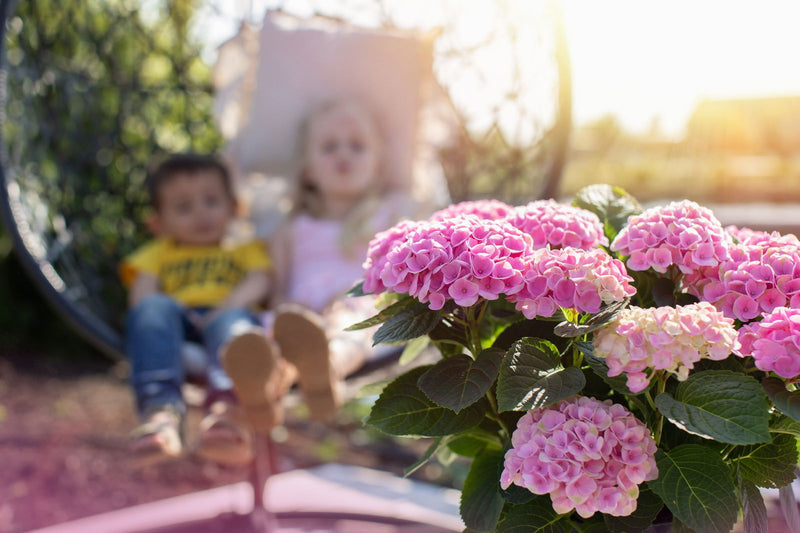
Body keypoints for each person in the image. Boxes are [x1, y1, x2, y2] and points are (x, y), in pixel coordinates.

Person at [224, 99, 424, 430]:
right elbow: (279, 291)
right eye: (329, 147)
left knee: (351, 325)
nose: (343, 154)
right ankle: (267, 391)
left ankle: (326, 369)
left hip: (358, 307)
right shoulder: (290, 229)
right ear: (308, 170)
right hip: (298, 316)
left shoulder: (388, 217)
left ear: (379, 166)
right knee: (277, 336)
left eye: (357, 146)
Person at [119, 153, 274, 466]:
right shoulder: (159, 252)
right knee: (152, 309)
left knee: (235, 328)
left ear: (234, 207)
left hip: (227, 313)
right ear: (159, 223)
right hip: (179, 323)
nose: (200, 213)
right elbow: (143, 292)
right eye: (184, 207)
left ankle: (227, 414)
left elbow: (260, 280)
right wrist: (158, 309)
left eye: (211, 201)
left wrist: (228, 306)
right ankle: (161, 414)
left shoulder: (244, 249)